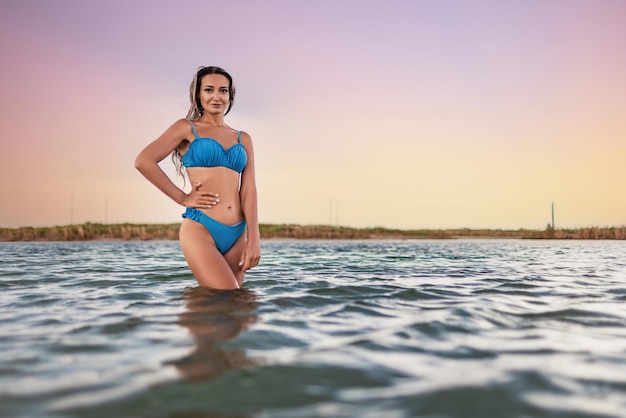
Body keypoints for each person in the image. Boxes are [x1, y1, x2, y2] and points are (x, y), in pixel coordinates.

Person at [135, 66, 260, 290]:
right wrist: (182, 198)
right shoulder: (186, 128)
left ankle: (195, 320)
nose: (216, 96)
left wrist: (254, 238)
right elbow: (144, 161)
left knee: (238, 307)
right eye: (209, 90)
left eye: (223, 91)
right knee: (225, 294)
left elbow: (249, 190)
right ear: (198, 95)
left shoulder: (243, 138)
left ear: (230, 96)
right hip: (201, 227)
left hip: (237, 232)